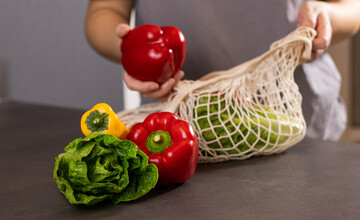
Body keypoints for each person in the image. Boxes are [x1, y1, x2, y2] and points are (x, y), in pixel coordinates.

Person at [85, 0, 360, 141]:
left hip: (296, 120)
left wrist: (325, 15)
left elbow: (351, 7)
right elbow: (105, 9)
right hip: (182, 128)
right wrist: (128, 46)